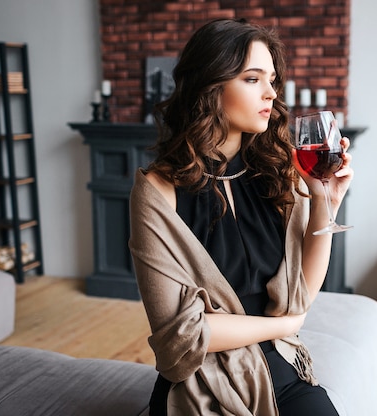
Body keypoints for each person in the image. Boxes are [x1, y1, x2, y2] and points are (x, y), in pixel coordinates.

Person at [128, 18, 353, 415]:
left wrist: (323, 200)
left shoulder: (278, 169)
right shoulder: (157, 191)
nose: (271, 93)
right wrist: (283, 326)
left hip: (284, 373)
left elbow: (301, 292)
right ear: (210, 86)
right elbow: (180, 337)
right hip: (203, 385)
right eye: (252, 79)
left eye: (272, 79)